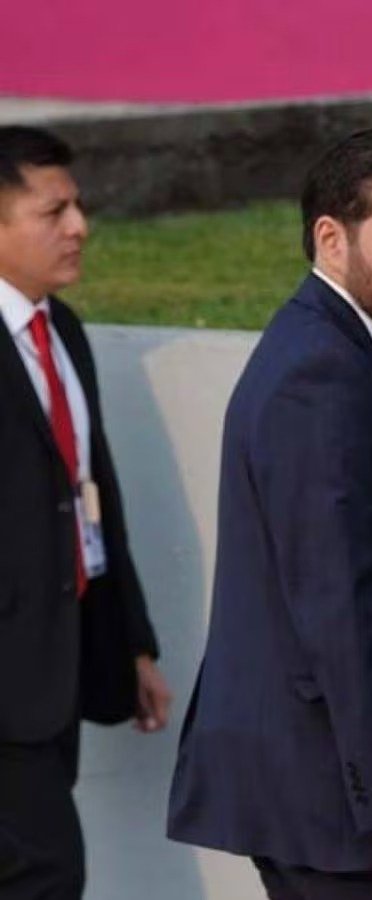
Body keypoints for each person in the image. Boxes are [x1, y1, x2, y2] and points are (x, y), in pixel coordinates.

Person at [167, 129, 372, 900]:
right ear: (332, 240)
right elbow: (342, 613)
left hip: (344, 799)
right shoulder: (319, 376)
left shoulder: (339, 354)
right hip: (343, 815)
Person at [0, 125, 171, 900]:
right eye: (53, 211)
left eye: (78, 206)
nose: (79, 227)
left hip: (55, 668)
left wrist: (129, 642)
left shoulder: (61, 329)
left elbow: (93, 494)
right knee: (47, 874)